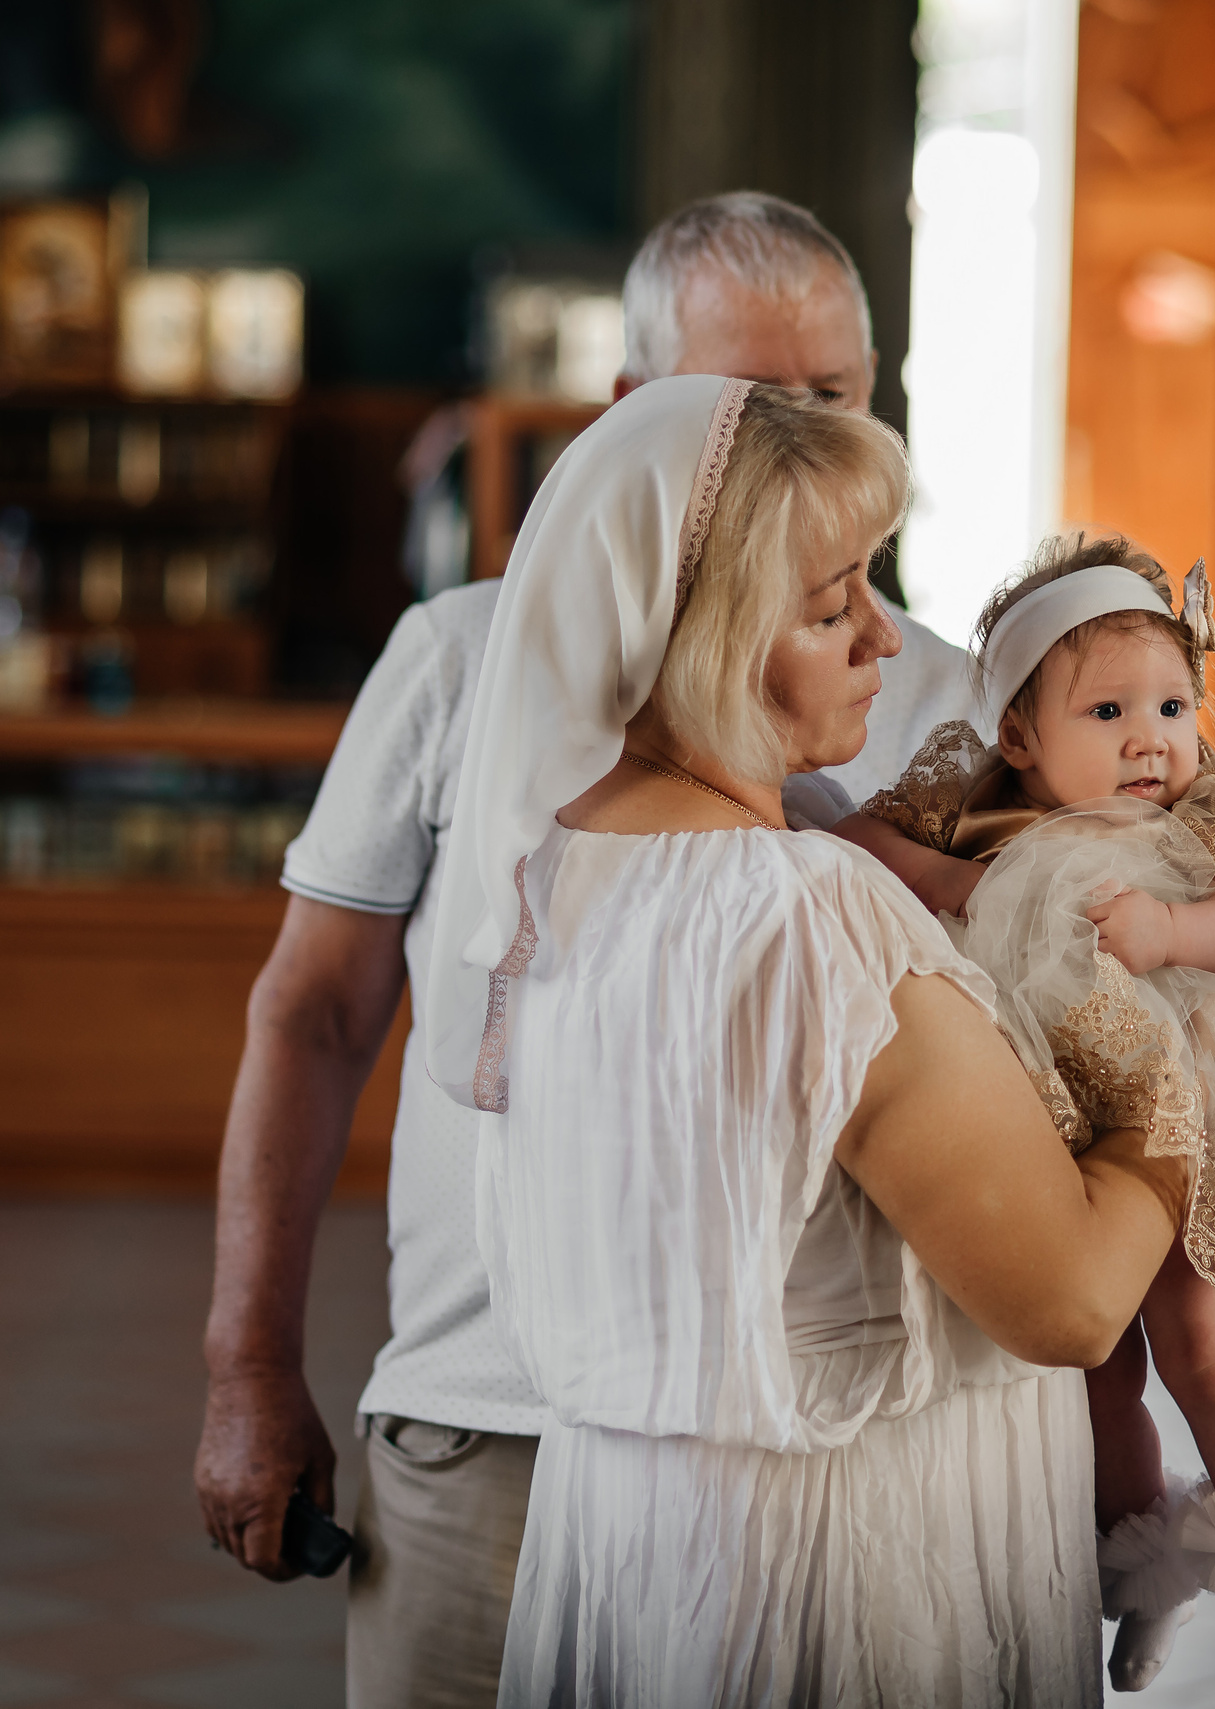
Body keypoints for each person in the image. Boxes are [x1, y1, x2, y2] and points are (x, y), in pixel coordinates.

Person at [192, 191, 978, 1707]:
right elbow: (312, 1016)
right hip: (494, 1416)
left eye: (837, 397)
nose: (805, 441)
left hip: (806, 1446)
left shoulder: (936, 693)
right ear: (628, 415)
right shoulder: (459, 660)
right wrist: (246, 1369)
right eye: (753, 406)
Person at [427, 374, 1187, 1706]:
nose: (884, 638)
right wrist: (1178, 1082)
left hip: (639, 1542)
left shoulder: (543, 879)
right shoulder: (810, 911)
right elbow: (1067, 1297)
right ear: (699, 637)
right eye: (832, 606)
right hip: (839, 1570)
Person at [836, 533, 1215, 1690]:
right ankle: (1139, 1573)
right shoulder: (978, 806)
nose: (1151, 737)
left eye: (1174, 703)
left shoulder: (1202, 813)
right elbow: (850, 838)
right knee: (1097, 1377)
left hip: (1182, 1135)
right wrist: (947, 881)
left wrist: (1175, 932)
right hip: (1050, 1137)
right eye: (1107, 712)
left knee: (1202, 1343)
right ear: (1019, 738)